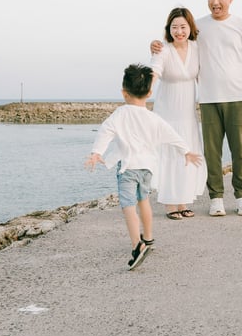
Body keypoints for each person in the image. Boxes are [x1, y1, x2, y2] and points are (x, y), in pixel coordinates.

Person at [152, 0, 242, 217]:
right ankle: (216, 198)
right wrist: (155, 44)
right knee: (211, 152)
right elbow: (174, 41)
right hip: (208, 100)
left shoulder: (241, 24)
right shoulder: (197, 27)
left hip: (238, 96)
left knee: (240, 151)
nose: (215, 1)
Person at [84, 64, 203, 270]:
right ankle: (148, 238)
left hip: (128, 169)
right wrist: (186, 151)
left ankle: (136, 245)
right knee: (144, 201)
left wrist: (97, 153)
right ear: (149, 93)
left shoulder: (120, 114)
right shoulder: (153, 118)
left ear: (124, 92)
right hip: (147, 168)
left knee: (128, 206)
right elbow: (172, 134)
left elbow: (105, 132)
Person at [149, 7, 207, 220]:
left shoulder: (196, 48)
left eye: (183, 27)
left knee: (187, 155)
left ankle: (183, 201)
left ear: (190, 27)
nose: (179, 31)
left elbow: (203, 77)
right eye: (174, 27)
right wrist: (146, 88)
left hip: (188, 114)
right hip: (167, 114)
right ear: (169, 29)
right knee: (170, 155)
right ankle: (169, 204)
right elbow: (154, 70)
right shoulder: (163, 49)